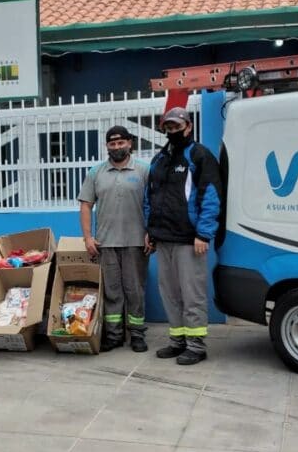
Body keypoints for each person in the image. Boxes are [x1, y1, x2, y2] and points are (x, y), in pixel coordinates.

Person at [146, 107, 222, 365]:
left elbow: (210, 196)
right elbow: (151, 198)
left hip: (190, 240)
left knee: (192, 295)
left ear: (188, 126)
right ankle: (177, 341)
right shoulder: (160, 159)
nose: (172, 131)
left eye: (177, 126)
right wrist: (151, 231)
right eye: (168, 127)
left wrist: (203, 233)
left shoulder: (199, 155)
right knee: (170, 294)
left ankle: (196, 346)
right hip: (163, 238)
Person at [78, 125, 150, 353]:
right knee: (112, 292)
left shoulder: (144, 170)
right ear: (107, 146)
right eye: (112, 143)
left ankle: (137, 334)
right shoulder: (95, 172)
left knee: (135, 290)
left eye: (121, 143)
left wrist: (152, 233)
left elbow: (155, 203)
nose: (117, 147)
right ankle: (114, 335)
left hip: (137, 242)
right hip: (105, 243)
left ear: (130, 143)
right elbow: (86, 205)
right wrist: (88, 237)